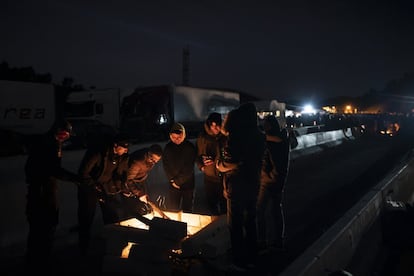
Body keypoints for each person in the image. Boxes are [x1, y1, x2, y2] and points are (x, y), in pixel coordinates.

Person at [24, 119, 80, 271]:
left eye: (67, 136)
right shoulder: (48, 145)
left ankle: (41, 260)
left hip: (47, 190)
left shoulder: (54, 143)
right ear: (57, 131)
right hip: (42, 193)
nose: (64, 138)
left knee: (46, 227)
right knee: (41, 228)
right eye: (63, 134)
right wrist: (75, 179)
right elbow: (53, 169)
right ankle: (37, 263)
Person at [216, 103, 266, 271]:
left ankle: (238, 260)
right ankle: (253, 255)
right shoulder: (259, 136)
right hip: (253, 181)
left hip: (236, 184)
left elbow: (230, 163)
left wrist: (219, 165)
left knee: (235, 223)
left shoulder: (236, 137)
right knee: (251, 219)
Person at [77, 134, 129, 255]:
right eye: (123, 148)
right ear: (115, 145)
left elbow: (117, 174)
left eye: (127, 149)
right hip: (89, 188)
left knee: (111, 217)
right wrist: (93, 185)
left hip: (105, 188)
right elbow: (83, 173)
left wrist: (120, 187)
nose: (125, 151)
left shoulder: (120, 156)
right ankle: (83, 248)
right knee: (86, 218)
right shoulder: (98, 153)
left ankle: (112, 245)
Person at [257, 115, 290, 253]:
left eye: (266, 124)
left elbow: (276, 163)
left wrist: (267, 176)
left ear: (270, 125)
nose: (264, 127)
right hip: (277, 180)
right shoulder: (280, 138)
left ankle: (263, 241)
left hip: (269, 181)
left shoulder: (274, 141)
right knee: (276, 210)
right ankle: (278, 240)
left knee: (260, 211)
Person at [195, 112, 227, 215]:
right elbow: (197, 155)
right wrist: (201, 166)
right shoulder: (203, 138)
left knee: (225, 205)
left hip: (223, 177)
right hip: (209, 177)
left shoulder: (225, 137)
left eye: (216, 125)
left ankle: (224, 226)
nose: (214, 128)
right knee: (211, 204)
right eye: (211, 125)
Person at [162, 122, 197, 213]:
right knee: (173, 208)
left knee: (187, 210)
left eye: (179, 137)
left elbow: (189, 168)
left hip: (188, 184)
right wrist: (172, 180)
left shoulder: (189, 148)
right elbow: (166, 165)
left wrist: (177, 181)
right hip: (173, 184)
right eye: (173, 137)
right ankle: (174, 226)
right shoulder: (168, 148)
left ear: (184, 135)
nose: (176, 139)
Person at [122, 144, 164, 217]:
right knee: (132, 209)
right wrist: (138, 193)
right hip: (129, 187)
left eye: (157, 161)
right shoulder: (138, 161)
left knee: (145, 205)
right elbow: (128, 180)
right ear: (149, 154)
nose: (154, 162)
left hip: (140, 182)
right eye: (153, 160)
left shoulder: (150, 159)